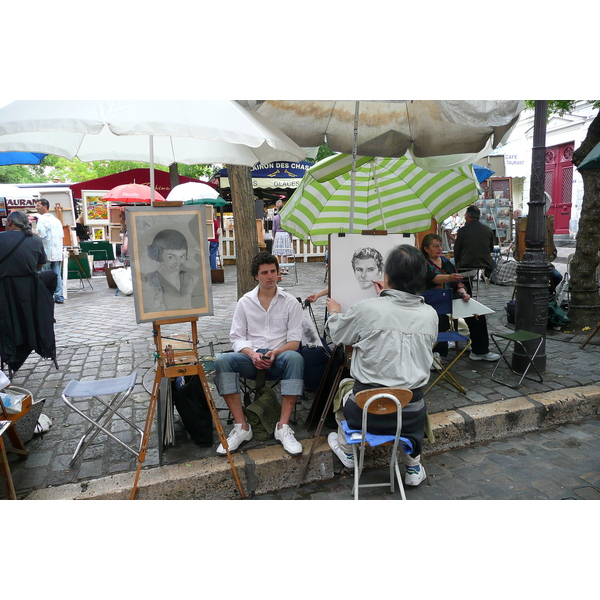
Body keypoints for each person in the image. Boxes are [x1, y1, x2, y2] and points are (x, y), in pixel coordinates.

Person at [325, 244, 438, 487]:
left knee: (345, 387)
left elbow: (338, 336)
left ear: (387, 276)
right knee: (410, 394)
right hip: (411, 416)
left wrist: (334, 313)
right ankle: (413, 466)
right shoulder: (430, 314)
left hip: (366, 415)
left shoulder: (367, 308)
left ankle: (346, 451)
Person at [214, 251, 304, 456]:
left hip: (280, 357)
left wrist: (275, 352)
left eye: (273, 271)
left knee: (296, 358)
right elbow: (236, 337)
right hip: (250, 358)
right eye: (264, 272)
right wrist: (252, 354)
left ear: (278, 273)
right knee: (222, 361)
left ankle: (283, 426)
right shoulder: (245, 302)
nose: (270, 276)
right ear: (256, 276)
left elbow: (294, 341)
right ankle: (242, 427)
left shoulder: (290, 302)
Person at [421, 233, 500, 362]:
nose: (439, 248)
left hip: (452, 297)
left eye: (440, 245)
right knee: (440, 319)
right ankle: (436, 354)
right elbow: (431, 279)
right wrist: (449, 277)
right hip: (433, 299)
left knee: (477, 314)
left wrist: (463, 293)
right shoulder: (422, 263)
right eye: (435, 246)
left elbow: (457, 282)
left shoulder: (446, 262)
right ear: (426, 248)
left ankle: (479, 351)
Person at [0, 211, 57, 373]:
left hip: (4, 293)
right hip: (30, 293)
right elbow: (39, 267)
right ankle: (45, 311)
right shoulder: (35, 240)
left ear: (10, 222)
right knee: (51, 276)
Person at [143, 229, 200, 312]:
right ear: (158, 254)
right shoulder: (148, 281)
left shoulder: (189, 278)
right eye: (171, 257)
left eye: (182, 256)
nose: (178, 263)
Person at [35, 198, 65, 304]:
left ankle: (46, 296)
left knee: (45, 275)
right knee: (56, 274)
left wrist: (33, 232)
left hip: (46, 251)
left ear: (45, 206)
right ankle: (59, 296)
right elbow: (62, 235)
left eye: (38, 205)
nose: (36, 207)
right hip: (56, 251)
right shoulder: (56, 220)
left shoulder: (42, 219)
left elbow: (41, 234)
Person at [453, 204, 495, 279]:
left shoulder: (462, 231)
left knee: (452, 262)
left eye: (465, 216)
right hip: (486, 262)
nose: (465, 218)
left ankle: (466, 286)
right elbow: (491, 248)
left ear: (469, 215)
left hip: (467, 262)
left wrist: (457, 264)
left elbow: (457, 250)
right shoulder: (488, 230)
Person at [271, 199, 293, 275]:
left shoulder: (275, 218)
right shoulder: (287, 217)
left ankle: (279, 269)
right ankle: (285, 269)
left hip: (278, 234)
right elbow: (289, 228)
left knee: (278, 253)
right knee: (285, 253)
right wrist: (290, 236)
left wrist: (273, 237)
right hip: (286, 234)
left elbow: (273, 229)